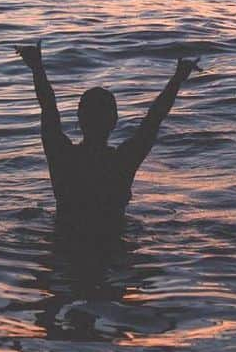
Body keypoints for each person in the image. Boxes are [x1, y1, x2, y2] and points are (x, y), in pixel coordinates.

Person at [15, 42, 200, 232]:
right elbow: (154, 119)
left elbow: (48, 108)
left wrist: (37, 68)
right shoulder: (123, 161)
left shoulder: (62, 157)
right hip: (114, 245)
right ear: (115, 121)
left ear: (79, 119)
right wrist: (177, 80)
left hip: (66, 243)